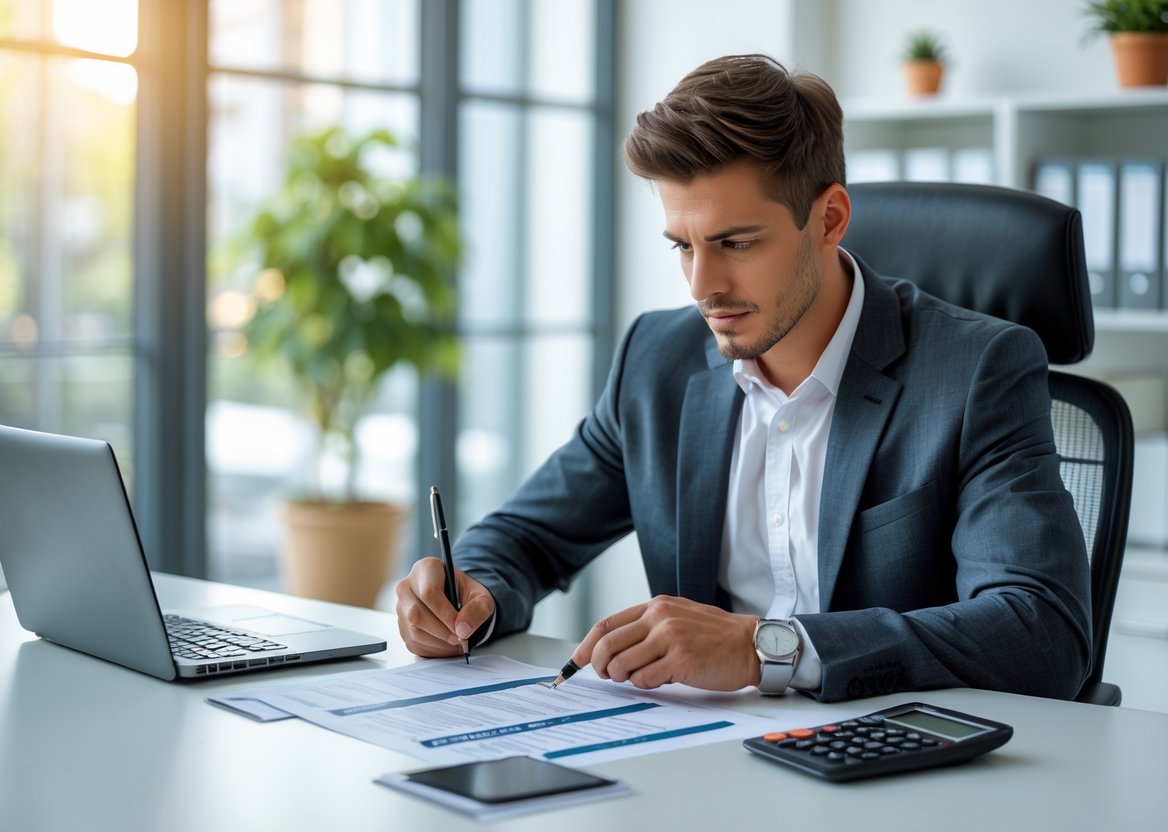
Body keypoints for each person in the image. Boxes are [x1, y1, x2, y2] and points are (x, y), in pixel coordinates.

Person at [395, 54, 1092, 702]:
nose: (703, 285)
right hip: (700, 753)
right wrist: (466, 592)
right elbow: (529, 536)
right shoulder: (656, 359)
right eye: (683, 246)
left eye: (735, 243)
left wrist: (767, 648)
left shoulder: (976, 370)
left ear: (829, 219)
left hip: (889, 756)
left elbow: (1041, 629)